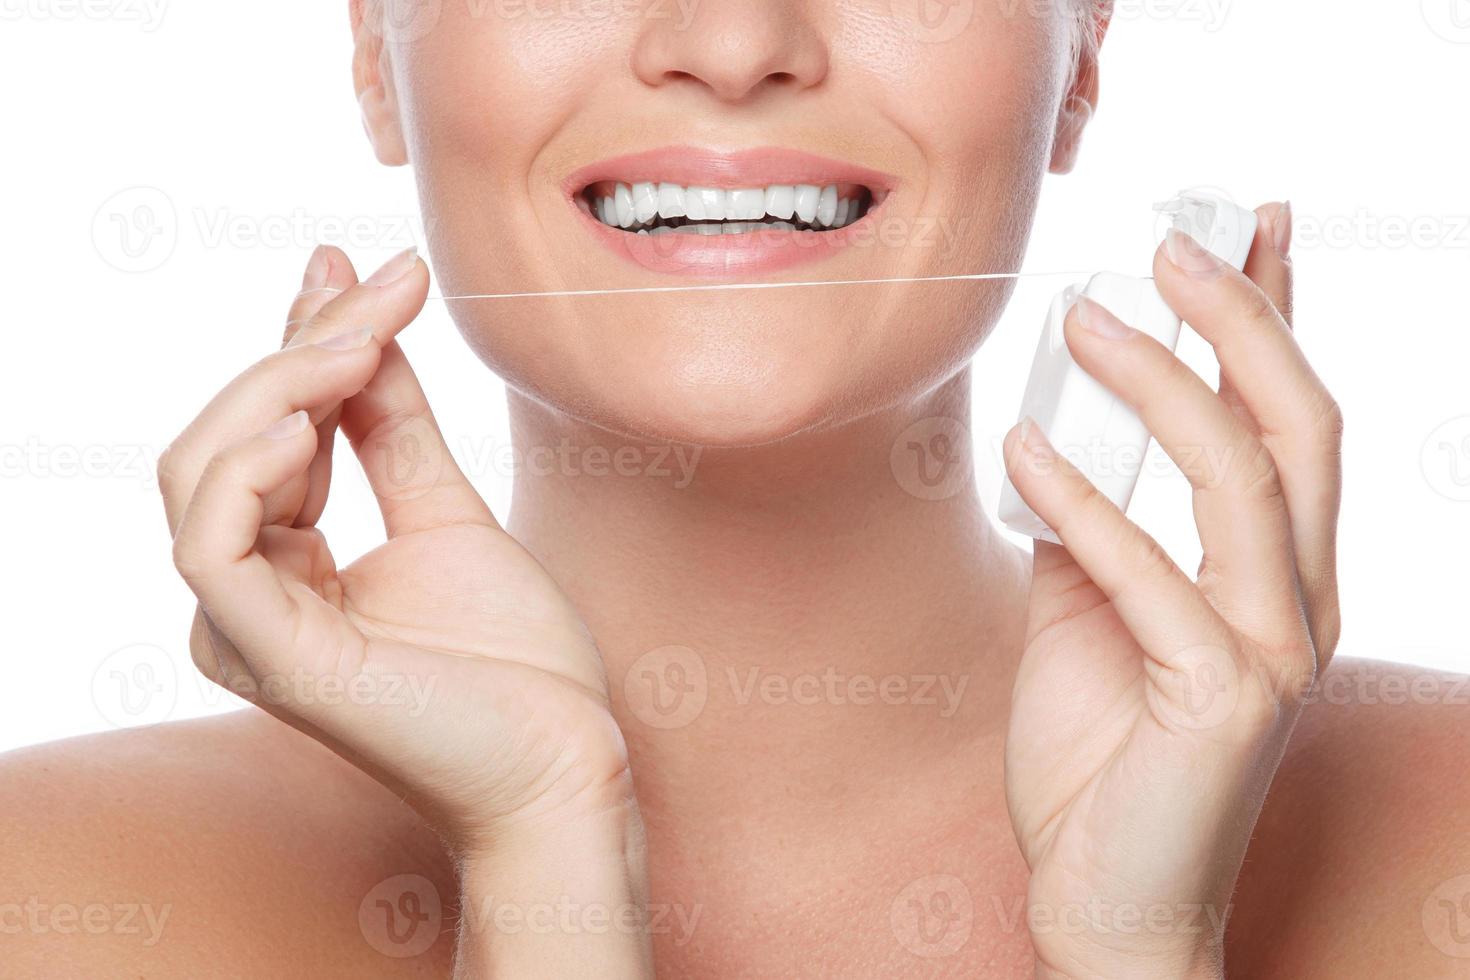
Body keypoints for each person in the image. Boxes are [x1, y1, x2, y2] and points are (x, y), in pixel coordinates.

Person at [5, 1, 1466, 976]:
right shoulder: (54, 900)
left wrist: (1140, 950)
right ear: (375, 50)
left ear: (1078, 51)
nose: (730, 39)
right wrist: (544, 879)